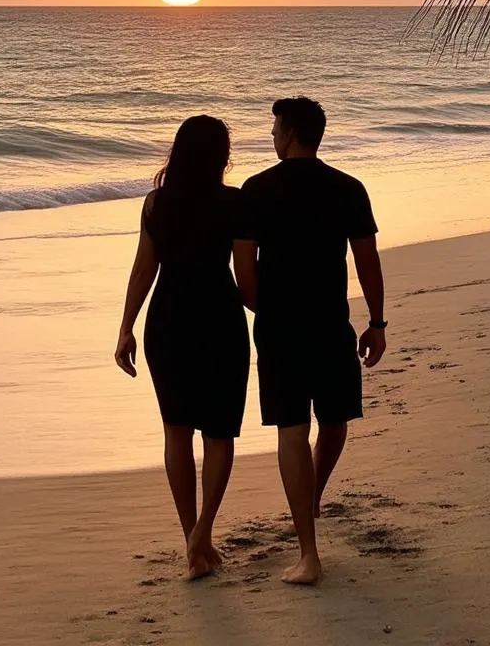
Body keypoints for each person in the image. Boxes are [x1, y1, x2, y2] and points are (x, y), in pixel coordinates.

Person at [235, 97, 387, 586]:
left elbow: (243, 272)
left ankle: (308, 543)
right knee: (335, 419)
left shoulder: (256, 190)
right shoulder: (347, 188)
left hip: (281, 328)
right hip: (330, 323)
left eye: (276, 128)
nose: (272, 137)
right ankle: (310, 513)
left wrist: (271, 310)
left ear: (292, 132)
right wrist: (377, 323)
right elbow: (367, 262)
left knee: (294, 429)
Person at [114, 115, 250, 580]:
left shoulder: (157, 204)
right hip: (220, 319)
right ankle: (202, 535)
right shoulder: (234, 203)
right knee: (219, 433)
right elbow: (247, 275)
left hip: (168, 321)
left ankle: (192, 536)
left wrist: (125, 328)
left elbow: (142, 270)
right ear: (221, 157)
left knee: (176, 431)